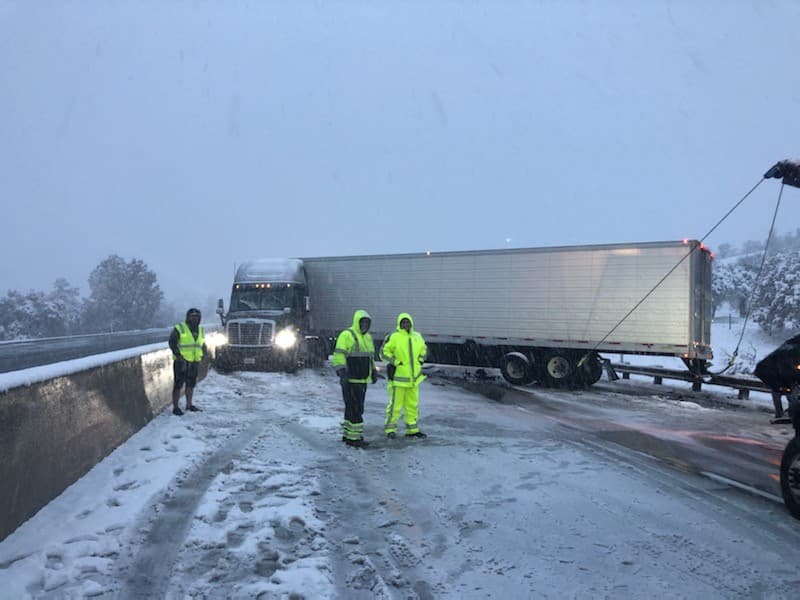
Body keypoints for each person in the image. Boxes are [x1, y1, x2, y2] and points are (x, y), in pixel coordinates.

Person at [332, 309, 377, 447]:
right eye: (362, 322)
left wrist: (373, 371)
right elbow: (339, 355)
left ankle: (348, 435)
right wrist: (342, 372)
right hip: (350, 380)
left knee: (354, 408)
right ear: (357, 322)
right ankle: (355, 438)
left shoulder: (368, 338)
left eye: (367, 323)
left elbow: (370, 357)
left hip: (362, 380)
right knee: (355, 409)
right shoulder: (347, 335)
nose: (365, 325)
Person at [380, 312, 428, 439]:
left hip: (414, 380)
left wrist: (420, 360)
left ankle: (412, 430)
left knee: (412, 406)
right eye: (403, 322)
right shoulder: (393, 337)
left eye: (407, 322)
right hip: (398, 379)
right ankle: (390, 429)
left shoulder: (417, 336)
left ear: (411, 323)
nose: (406, 324)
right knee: (395, 406)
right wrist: (396, 362)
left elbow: (424, 349)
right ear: (399, 324)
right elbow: (383, 353)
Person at [169, 308, 207, 416]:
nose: (195, 319)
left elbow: (202, 343)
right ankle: (176, 407)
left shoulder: (200, 329)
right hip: (181, 361)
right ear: (188, 317)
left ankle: (189, 405)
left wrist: (204, 354)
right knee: (178, 384)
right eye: (192, 316)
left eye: (197, 317)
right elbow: (172, 342)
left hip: (194, 361)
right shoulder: (180, 328)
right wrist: (178, 355)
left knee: (191, 384)